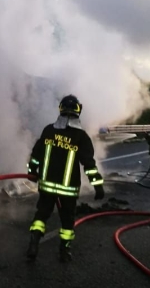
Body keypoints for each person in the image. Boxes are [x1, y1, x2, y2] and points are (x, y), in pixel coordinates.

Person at [26, 95, 105, 263]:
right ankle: (64, 251)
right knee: (67, 220)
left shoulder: (48, 130)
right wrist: (97, 185)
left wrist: (32, 171)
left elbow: (35, 155)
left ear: (60, 109)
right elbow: (89, 164)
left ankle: (34, 241)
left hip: (46, 186)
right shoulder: (81, 137)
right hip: (67, 189)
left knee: (42, 215)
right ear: (78, 111)